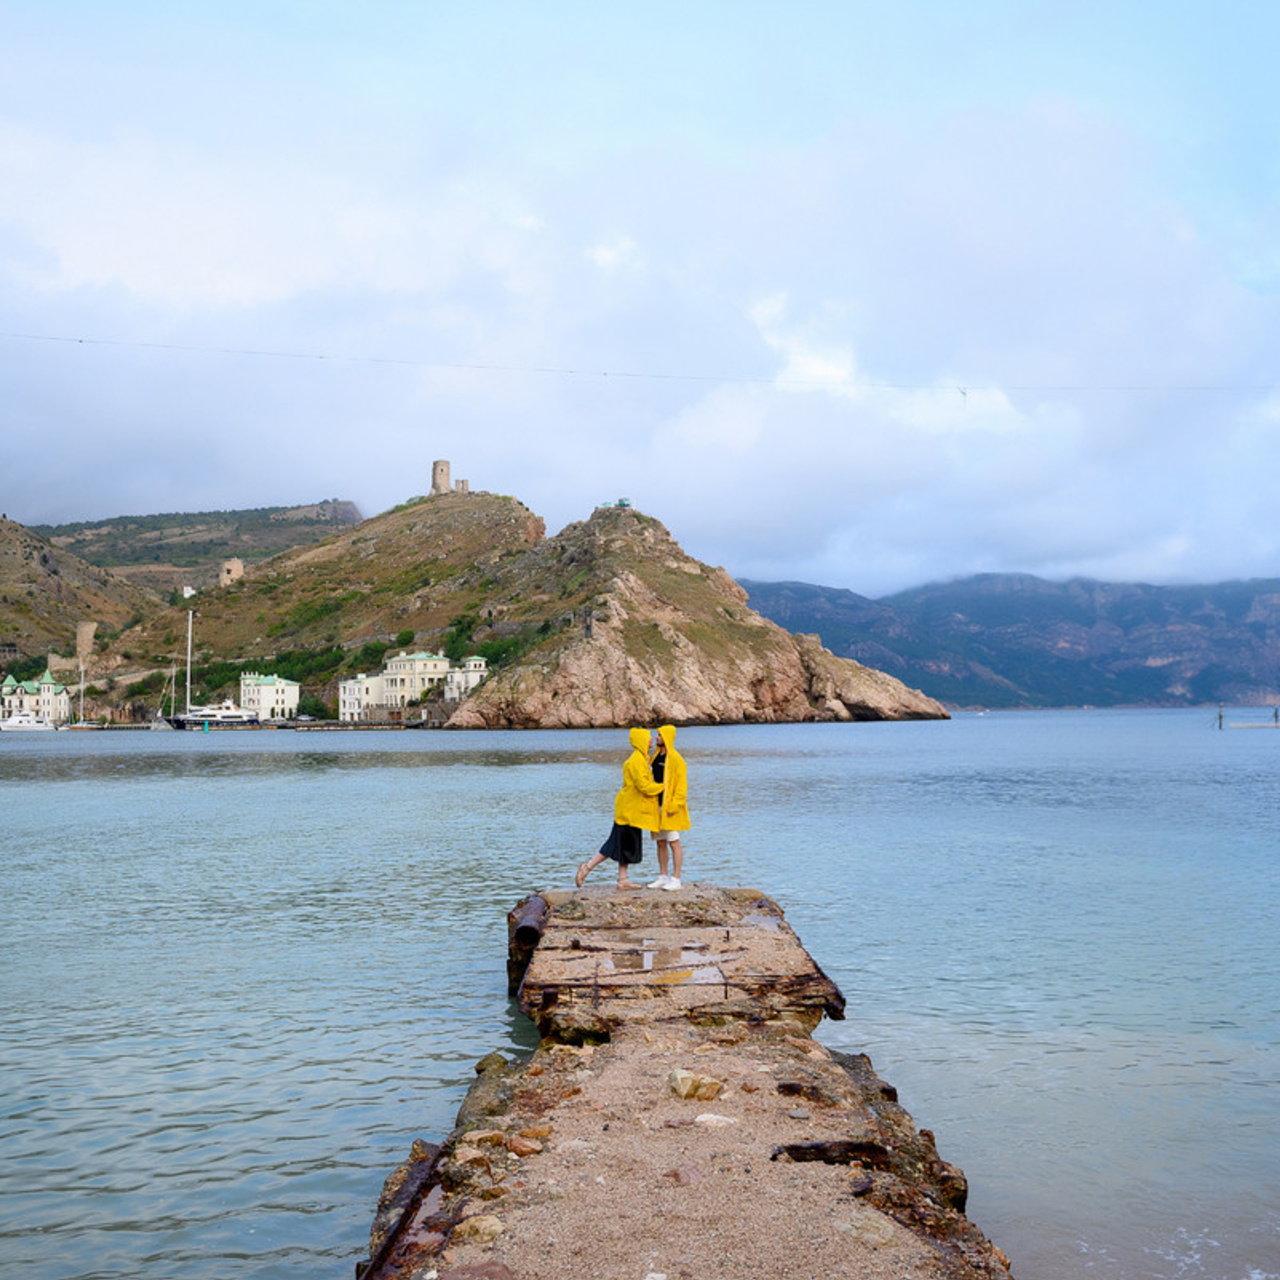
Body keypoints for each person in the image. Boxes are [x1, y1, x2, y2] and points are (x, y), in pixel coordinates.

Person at [576, 727, 664, 891]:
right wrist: (664, 786)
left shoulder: (642, 758)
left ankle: (622, 879)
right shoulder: (636, 761)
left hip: (631, 810)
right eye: (648, 738)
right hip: (628, 810)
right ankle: (587, 867)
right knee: (615, 845)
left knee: (623, 845)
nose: (651, 740)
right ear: (641, 741)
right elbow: (643, 786)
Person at [647, 723, 690, 891]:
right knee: (660, 842)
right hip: (656, 806)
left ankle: (676, 878)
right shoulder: (655, 756)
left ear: (667, 737)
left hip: (670, 808)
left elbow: (681, 786)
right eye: (657, 735)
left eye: (659, 735)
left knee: (674, 842)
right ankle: (663, 876)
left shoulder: (677, 760)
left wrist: (675, 805)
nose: (656, 737)